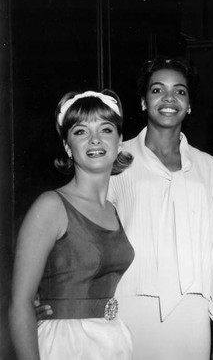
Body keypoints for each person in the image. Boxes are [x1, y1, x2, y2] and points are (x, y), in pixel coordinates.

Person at [107, 56, 213, 360]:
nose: (168, 98)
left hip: (191, 310)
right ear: (142, 101)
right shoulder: (115, 158)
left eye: (179, 91)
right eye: (157, 90)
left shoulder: (208, 167)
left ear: (189, 104)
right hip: (129, 306)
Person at [10, 90, 135, 360]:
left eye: (106, 129)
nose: (95, 140)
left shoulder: (114, 209)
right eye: (81, 131)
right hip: (66, 345)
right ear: (67, 146)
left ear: (120, 141)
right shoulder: (51, 205)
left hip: (112, 341)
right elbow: (20, 304)